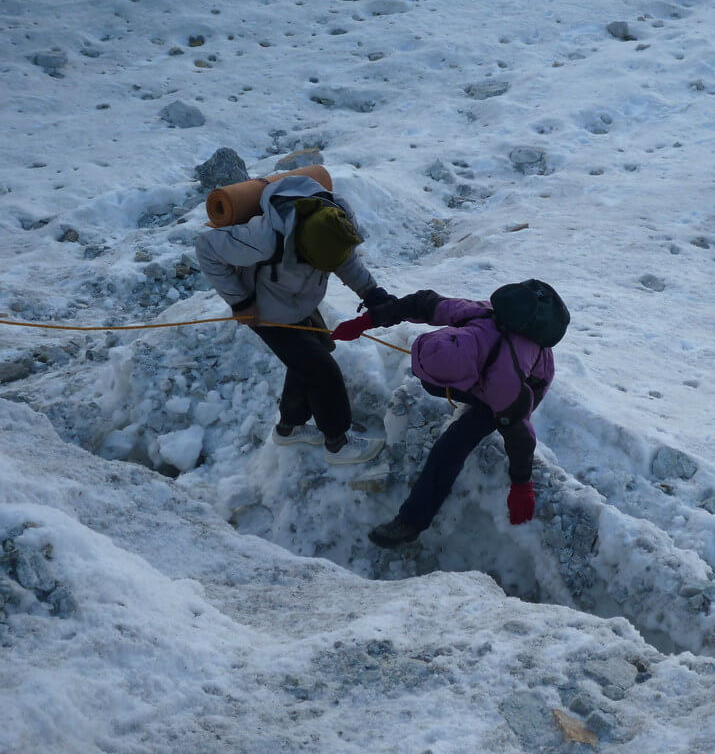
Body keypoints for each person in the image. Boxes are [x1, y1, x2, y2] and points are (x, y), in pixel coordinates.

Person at [331, 288, 555, 548]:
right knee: (432, 386)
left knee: (452, 445)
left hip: (530, 381)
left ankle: (411, 522)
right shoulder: (470, 314)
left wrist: (521, 485)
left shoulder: (504, 386)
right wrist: (364, 323)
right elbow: (419, 303)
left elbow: (520, 434)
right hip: (495, 360)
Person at [195, 175, 390, 464]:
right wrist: (241, 301)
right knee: (323, 371)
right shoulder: (263, 239)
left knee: (311, 360)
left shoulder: (338, 220)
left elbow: (344, 259)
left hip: (301, 303)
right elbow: (206, 247)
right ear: (299, 247)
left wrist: (371, 292)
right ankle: (337, 443)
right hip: (265, 312)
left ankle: (289, 428)